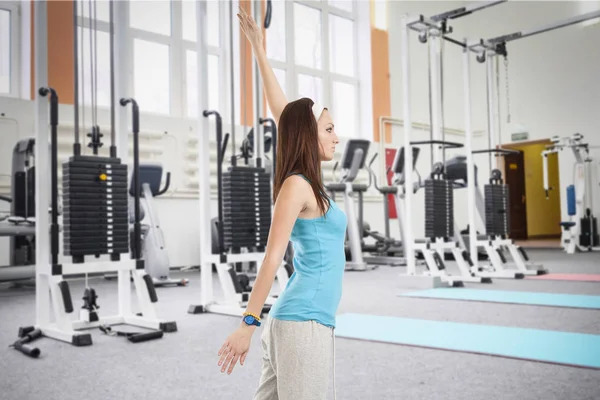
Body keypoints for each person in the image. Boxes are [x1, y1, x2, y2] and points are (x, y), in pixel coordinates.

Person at [217, 6, 347, 400]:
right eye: (328, 129)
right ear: (310, 136)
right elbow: (274, 258)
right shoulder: (297, 186)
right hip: (301, 325)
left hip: (300, 323)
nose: (336, 136)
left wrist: (259, 50)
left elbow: (284, 114)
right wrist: (247, 322)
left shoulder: (307, 179)